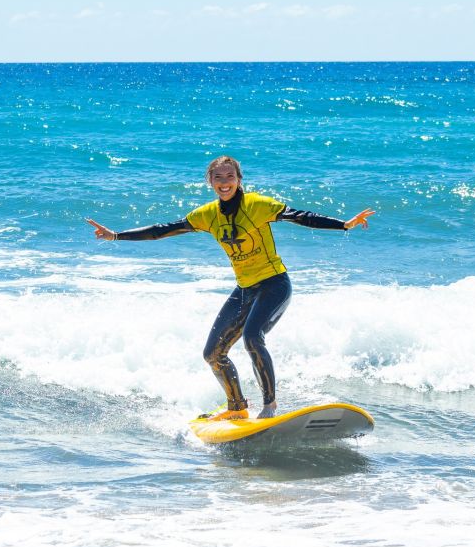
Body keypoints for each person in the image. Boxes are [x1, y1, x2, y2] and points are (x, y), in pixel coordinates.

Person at [87, 156, 374, 419]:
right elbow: (162, 230)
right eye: (218, 178)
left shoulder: (258, 206)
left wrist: (344, 225)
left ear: (239, 179)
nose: (224, 183)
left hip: (274, 284)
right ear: (210, 182)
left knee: (252, 337)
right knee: (213, 353)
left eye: (229, 177)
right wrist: (115, 236)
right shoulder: (207, 214)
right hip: (245, 289)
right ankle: (236, 408)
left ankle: (270, 406)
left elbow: (301, 216)